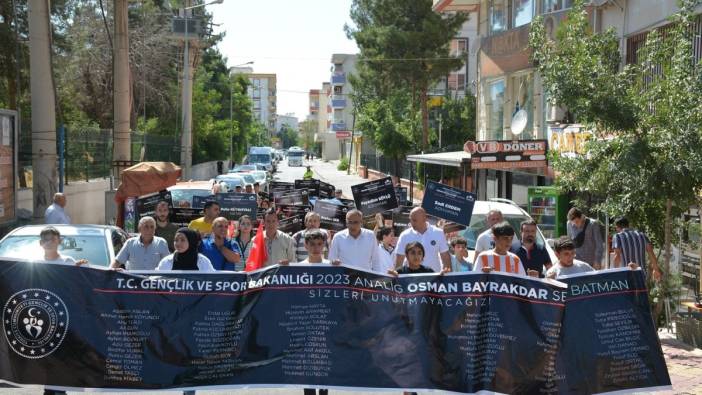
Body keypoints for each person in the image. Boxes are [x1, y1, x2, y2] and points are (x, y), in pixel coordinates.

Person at [394, 207, 451, 273]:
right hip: (411, 279)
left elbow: (445, 256)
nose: (411, 223)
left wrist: (448, 277)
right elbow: (399, 260)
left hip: (433, 279)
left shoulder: (438, 233)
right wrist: (397, 279)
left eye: (414, 220)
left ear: (424, 219)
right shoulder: (404, 235)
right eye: (410, 220)